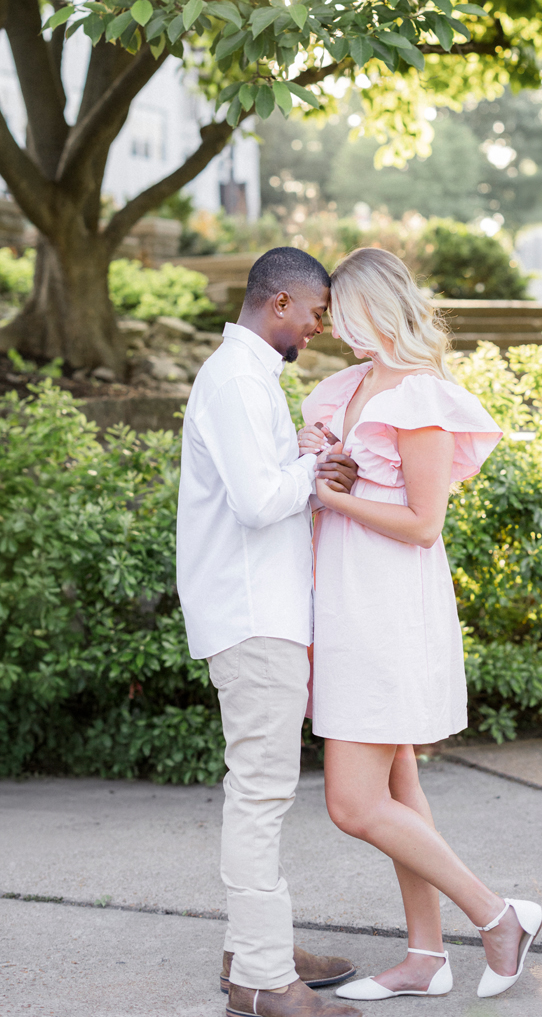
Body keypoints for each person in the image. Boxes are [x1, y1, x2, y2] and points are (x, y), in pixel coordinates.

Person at [298, 248, 542, 1002]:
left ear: (376, 307)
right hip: (337, 600)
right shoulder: (343, 388)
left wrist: (332, 493)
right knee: (398, 788)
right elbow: (314, 476)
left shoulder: (422, 397)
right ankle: (425, 956)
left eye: (342, 314)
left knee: (354, 804)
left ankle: (497, 916)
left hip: (386, 609)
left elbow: (423, 523)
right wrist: (311, 458)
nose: (334, 329)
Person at [177, 246, 364, 1017]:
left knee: (262, 790)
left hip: (261, 611)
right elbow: (257, 502)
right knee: (260, 792)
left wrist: (301, 456)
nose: (319, 327)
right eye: (317, 313)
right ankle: (259, 979)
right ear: (280, 302)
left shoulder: (249, 376)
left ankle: (254, 944)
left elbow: (254, 480)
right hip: (253, 617)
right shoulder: (235, 378)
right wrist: (316, 479)